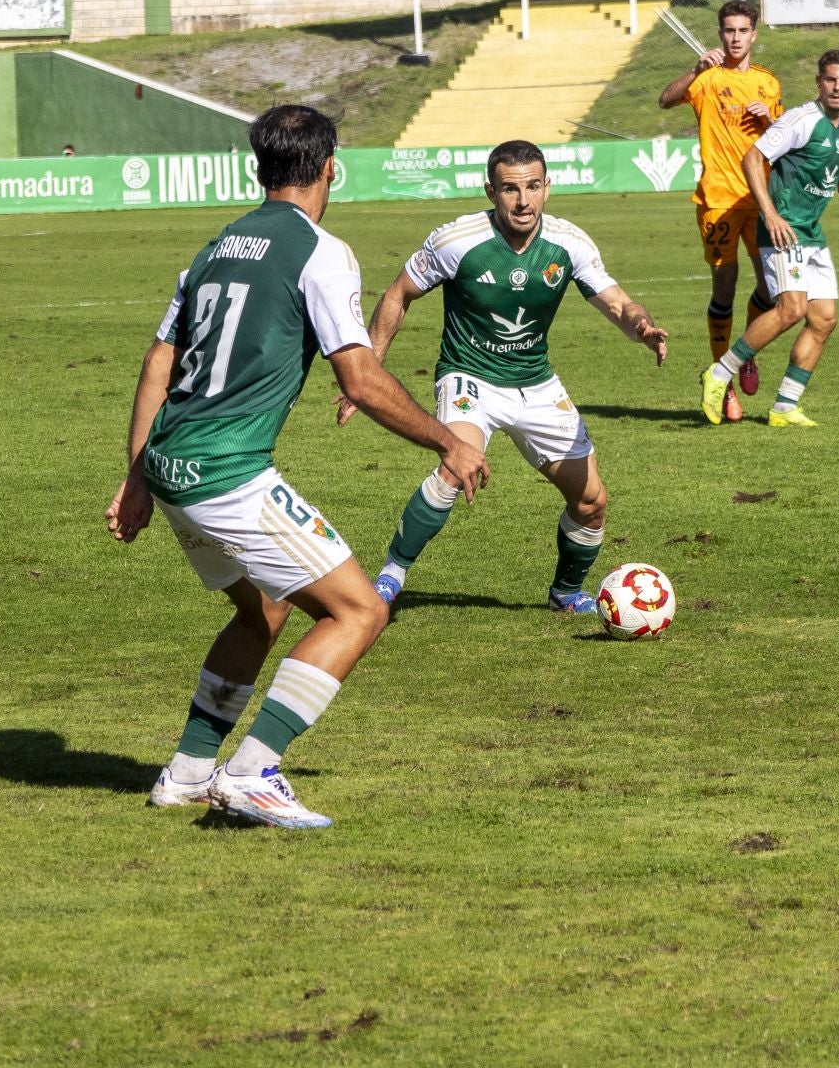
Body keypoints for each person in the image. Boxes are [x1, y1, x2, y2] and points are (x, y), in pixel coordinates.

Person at [105, 104, 487, 829]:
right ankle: (253, 771)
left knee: (263, 609)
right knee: (360, 609)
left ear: (260, 167)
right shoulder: (320, 250)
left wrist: (136, 475)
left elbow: (159, 359)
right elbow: (361, 379)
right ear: (329, 166)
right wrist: (448, 441)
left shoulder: (215, 248)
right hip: (227, 474)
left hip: (171, 464)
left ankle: (187, 774)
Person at [349, 140, 668, 613]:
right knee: (457, 465)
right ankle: (392, 575)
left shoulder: (569, 243)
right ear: (491, 191)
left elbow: (618, 302)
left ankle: (565, 592)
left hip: (536, 383)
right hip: (468, 377)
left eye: (533, 187)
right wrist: (368, 369)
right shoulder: (458, 240)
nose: (523, 201)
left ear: (547, 188)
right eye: (511, 189)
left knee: (591, 502)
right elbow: (398, 293)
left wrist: (641, 325)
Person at [699, 49, 839, 427]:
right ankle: (718, 373)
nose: (837, 87)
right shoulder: (801, 119)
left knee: (825, 318)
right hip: (781, 228)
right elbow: (752, 158)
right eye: (830, 79)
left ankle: (785, 407)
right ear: (818, 82)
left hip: (811, 232)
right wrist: (770, 213)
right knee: (792, 309)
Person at [658, 0, 781, 424]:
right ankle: (723, 381)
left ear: (754, 34)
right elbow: (664, 100)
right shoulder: (707, 78)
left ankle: (743, 354)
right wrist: (694, 70)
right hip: (718, 201)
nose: (735, 38)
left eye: (742, 30)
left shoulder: (768, 83)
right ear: (719, 33)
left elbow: (783, 141)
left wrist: (770, 120)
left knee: (772, 289)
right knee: (725, 288)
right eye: (728, 30)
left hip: (760, 201)